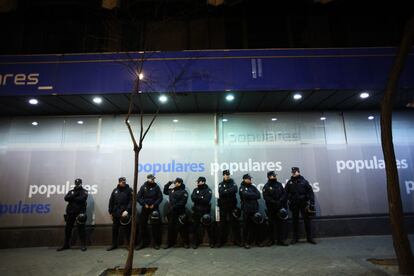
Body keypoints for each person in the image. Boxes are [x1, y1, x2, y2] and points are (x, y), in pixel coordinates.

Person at [285, 167, 316, 245]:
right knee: (295, 221)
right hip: (294, 204)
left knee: (307, 221)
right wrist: (289, 199)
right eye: (292, 172)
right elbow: (285, 193)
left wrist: (312, 203)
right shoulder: (289, 182)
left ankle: (309, 238)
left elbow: (310, 192)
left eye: (295, 172)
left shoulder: (304, 181)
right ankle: (295, 238)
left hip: (303, 203)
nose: (294, 173)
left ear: (299, 172)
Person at [57, 178, 88, 251]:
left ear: (81, 183)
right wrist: (75, 195)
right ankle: (66, 244)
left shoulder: (84, 191)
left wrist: (72, 197)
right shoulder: (71, 191)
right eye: (76, 183)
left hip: (79, 213)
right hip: (70, 213)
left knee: (81, 229)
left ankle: (83, 245)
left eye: (79, 183)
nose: (77, 184)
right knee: (68, 229)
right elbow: (66, 198)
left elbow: (82, 199)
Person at [136, 174, 163, 250]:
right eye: (151, 179)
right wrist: (144, 204)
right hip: (145, 208)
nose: (153, 180)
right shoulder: (143, 187)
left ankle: (156, 243)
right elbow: (138, 197)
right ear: (148, 179)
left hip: (154, 209)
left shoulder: (156, 187)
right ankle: (142, 243)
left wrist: (154, 204)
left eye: (153, 179)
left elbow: (160, 197)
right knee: (142, 226)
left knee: (155, 227)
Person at [262, 171, 289, 246]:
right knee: (271, 225)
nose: (275, 177)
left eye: (275, 175)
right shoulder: (266, 186)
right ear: (269, 177)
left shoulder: (279, 184)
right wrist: (274, 202)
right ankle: (271, 240)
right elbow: (266, 197)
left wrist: (280, 200)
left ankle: (281, 240)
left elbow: (284, 194)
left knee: (280, 225)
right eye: (273, 176)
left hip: (279, 208)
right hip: (271, 209)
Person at [107, 177, 133, 251]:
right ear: (119, 182)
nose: (123, 183)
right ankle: (114, 244)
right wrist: (110, 212)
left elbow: (131, 201)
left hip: (125, 213)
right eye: (121, 182)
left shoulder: (129, 190)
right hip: (116, 213)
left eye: (124, 181)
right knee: (115, 230)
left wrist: (127, 210)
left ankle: (128, 245)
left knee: (127, 230)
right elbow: (111, 201)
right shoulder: (115, 190)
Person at [217, 170, 241, 247]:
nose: (227, 176)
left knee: (234, 224)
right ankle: (221, 241)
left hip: (232, 206)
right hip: (223, 207)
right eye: (225, 175)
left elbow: (235, 190)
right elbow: (221, 192)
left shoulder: (233, 183)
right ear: (223, 176)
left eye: (228, 174)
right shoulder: (220, 184)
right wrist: (229, 191)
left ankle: (237, 241)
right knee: (222, 224)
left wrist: (226, 191)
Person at [163, 177, 190, 249]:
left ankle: (186, 243)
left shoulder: (184, 192)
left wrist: (174, 207)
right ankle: (169, 243)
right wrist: (169, 183)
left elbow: (182, 202)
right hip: (172, 213)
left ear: (180, 183)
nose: (175, 183)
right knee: (170, 228)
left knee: (182, 228)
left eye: (176, 182)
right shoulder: (172, 190)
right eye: (174, 182)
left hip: (180, 212)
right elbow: (165, 191)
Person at [191, 176, 215, 248]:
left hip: (205, 211)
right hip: (196, 211)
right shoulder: (195, 190)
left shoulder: (208, 190)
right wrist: (201, 197)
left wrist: (198, 198)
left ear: (203, 182)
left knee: (209, 228)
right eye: (197, 181)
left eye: (199, 181)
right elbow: (193, 198)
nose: (197, 183)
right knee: (195, 227)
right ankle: (195, 242)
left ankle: (212, 242)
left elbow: (206, 200)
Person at [239, 173, 261, 249]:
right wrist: (253, 195)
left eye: (250, 179)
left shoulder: (253, 187)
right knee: (246, 226)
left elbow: (258, 195)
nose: (250, 180)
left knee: (255, 226)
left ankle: (256, 241)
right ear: (245, 179)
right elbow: (245, 195)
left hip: (254, 209)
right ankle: (245, 242)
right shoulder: (242, 187)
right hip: (246, 210)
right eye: (248, 179)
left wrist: (251, 195)